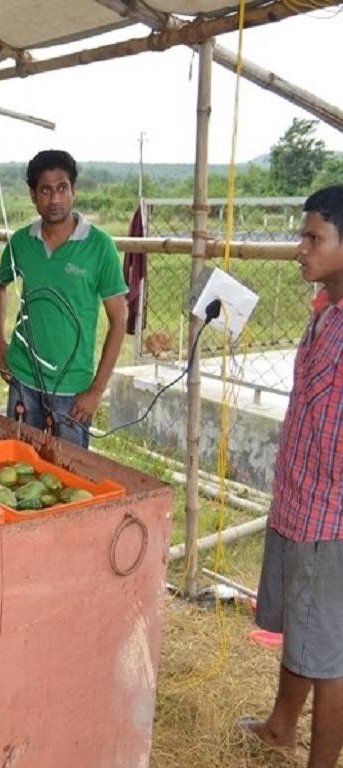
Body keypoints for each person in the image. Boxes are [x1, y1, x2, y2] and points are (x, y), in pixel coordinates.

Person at [241, 185, 343, 768]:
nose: (300, 249)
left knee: (329, 653)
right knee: (301, 627)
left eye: (313, 238)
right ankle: (281, 726)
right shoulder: (325, 307)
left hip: (331, 518)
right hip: (299, 500)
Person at [0, 150, 128, 448]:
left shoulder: (99, 246)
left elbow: (119, 320)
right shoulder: (22, 243)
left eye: (62, 188)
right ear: (33, 195)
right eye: (46, 190)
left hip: (73, 389)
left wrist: (96, 391)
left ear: (73, 191)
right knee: (19, 464)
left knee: (69, 475)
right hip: (24, 380)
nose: (55, 199)